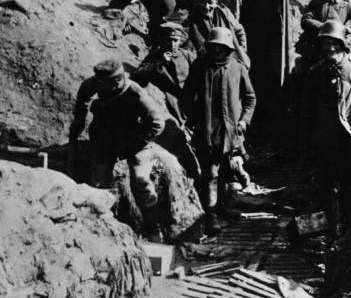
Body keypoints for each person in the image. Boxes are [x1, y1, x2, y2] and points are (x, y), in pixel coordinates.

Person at [301, 20, 351, 236]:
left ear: (342, 44)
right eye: (325, 43)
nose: (329, 48)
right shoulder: (315, 73)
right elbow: (308, 112)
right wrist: (311, 143)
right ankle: (335, 236)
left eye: (334, 43)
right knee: (328, 189)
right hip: (328, 141)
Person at [67, 59, 166, 242]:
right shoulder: (94, 82)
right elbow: (83, 97)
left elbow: (158, 124)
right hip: (105, 137)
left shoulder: (136, 93)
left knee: (141, 181)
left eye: (102, 85)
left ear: (117, 82)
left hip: (136, 140)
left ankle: (153, 228)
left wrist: (133, 144)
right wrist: (79, 122)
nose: (98, 86)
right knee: (98, 183)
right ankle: (106, 226)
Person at [182, 27, 256, 235]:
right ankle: (211, 216)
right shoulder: (200, 67)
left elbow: (250, 98)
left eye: (222, 48)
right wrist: (194, 118)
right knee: (211, 173)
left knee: (226, 170)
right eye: (214, 48)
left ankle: (223, 208)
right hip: (207, 131)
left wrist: (244, 121)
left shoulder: (237, 68)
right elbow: (187, 96)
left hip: (231, 131)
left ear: (228, 49)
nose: (217, 52)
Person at [131, 22, 201, 178]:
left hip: (194, 101)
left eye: (175, 40)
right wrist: (159, 62)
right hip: (173, 103)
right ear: (161, 40)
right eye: (168, 39)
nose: (172, 44)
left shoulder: (187, 55)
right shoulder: (155, 56)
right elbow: (136, 76)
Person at [188, 0, 250, 68]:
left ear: (216, 2)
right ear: (198, 1)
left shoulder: (225, 12)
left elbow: (239, 30)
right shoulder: (193, 19)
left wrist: (242, 49)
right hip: (209, 62)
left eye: (210, 2)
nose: (206, 6)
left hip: (230, 58)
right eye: (203, 1)